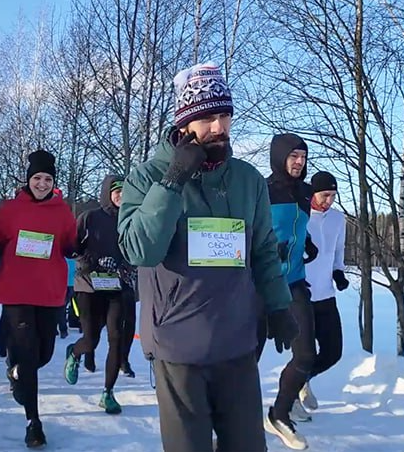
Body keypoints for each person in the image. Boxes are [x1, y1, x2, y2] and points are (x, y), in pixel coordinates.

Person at [117, 62, 297, 452]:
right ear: (184, 125)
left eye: (225, 115)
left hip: (236, 345)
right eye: (207, 117)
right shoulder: (147, 176)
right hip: (179, 347)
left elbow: (264, 250)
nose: (219, 127)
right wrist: (173, 181)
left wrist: (279, 305)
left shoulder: (247, 180)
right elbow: (139, 249)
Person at [0, 150, 76, 449]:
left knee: (44, 354)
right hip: (17, 290)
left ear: (54, 182)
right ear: (28, 180)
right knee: (27, 354)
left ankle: (16, 370)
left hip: (48, 291)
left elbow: (69, 245)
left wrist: (81, 246)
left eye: (47, 179)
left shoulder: (62, 212)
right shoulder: (12, 209)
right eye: (37, 178)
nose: (42, 184)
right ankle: (33, 422)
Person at [261, 132, 318, 450]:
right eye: (293, 156)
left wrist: (305, 243)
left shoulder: (305, 193)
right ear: (279, 157)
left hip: (294, 282)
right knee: (243, 361)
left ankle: (279, 413)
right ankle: (229, 428)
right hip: (260, 285)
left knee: (306, 355)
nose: (299, 162)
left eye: (303, 157)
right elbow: (253, 232)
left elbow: (298, 225)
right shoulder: (263, 191)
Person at [64, 175, 133, 414]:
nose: (121, 196)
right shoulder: (90, 217)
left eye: (125, 191)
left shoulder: (130, 219)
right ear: (107, 193)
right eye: (116, 191)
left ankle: (108, 393)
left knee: (116, 336)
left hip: (115, 286)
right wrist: (90, 260)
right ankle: (74, 351)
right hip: (89, 286)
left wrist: (126, 267)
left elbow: (136, 251)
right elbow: (73, 250)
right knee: (91, 339)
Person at [297, 171, 348, 415]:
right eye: (325, 195)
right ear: (313, 192)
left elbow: (338, 250)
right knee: (304, 354)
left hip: (326, 295)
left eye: (333, 196)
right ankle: (290, 400)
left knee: (332, 352)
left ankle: (300, 381)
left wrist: (338, 272)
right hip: (302, 295)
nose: (329, 201)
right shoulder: (300, 215)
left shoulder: (338, 219)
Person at [59, 257, 76, 337]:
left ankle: (63, 329)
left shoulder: (61, 256)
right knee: (75, 305)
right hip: (74, 283)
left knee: (61, 307)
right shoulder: (75, 257)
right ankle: (78, 324)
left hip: (62, 283)